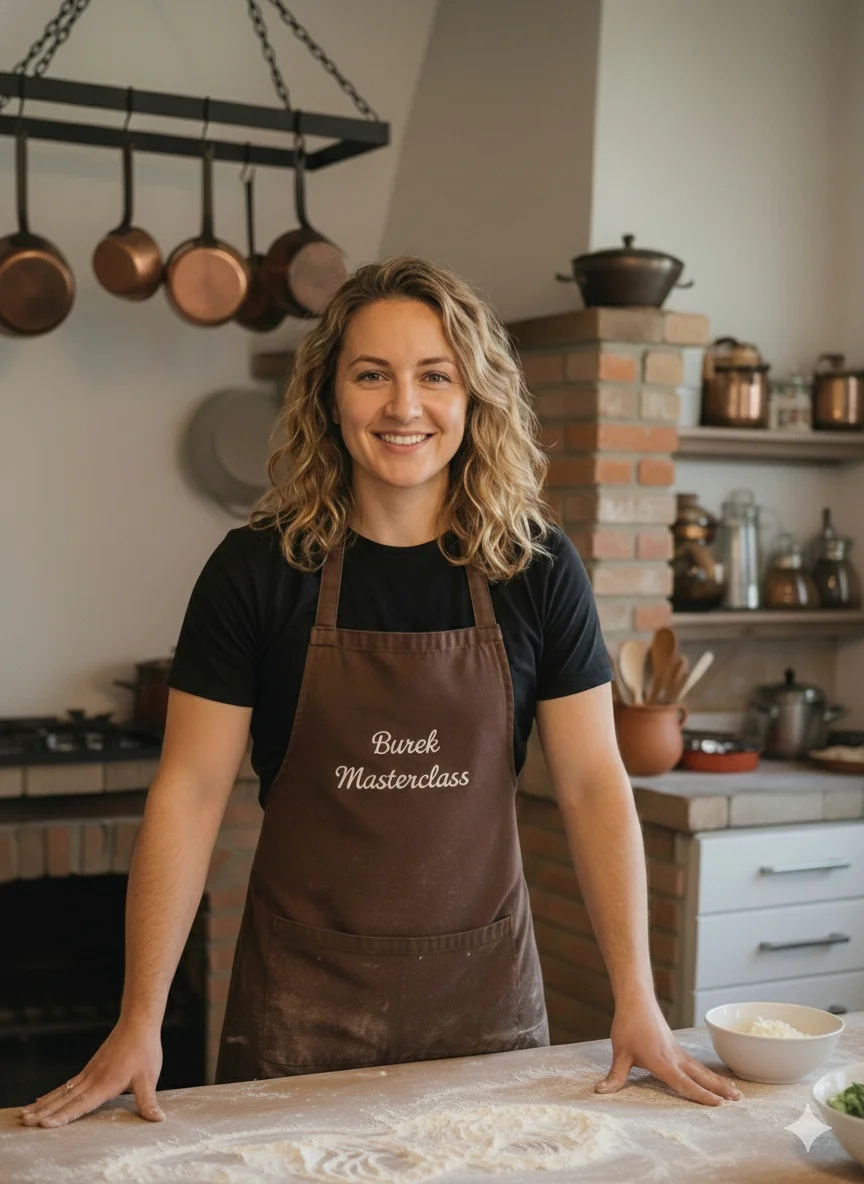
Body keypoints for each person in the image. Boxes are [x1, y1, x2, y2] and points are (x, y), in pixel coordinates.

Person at [21, 256, 740, 1129]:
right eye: (372, 375)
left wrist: (637, 997)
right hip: (299, 1009)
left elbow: (593, 784)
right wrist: (139, 1019)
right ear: (330, 397)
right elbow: (190, 791)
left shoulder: (536, 569)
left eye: (435, 376)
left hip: (483, 1008)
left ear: (473, 398)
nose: (404, 406)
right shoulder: (256, 571)